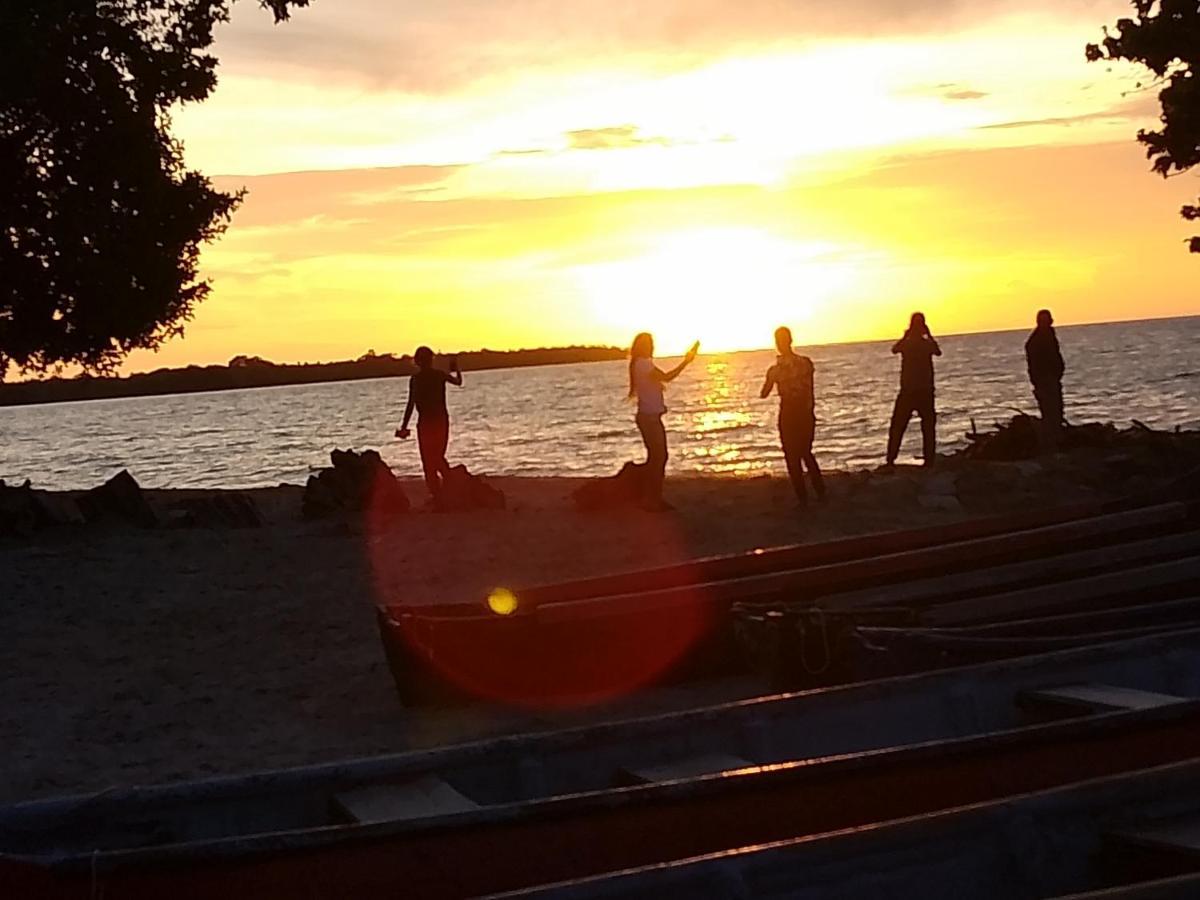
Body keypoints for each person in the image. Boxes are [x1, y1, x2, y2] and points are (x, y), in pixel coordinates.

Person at [628, 333, 699, 511]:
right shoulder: (643, 364)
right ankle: (652, 499)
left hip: (649, 417)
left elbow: (661, 380)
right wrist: (686, 361)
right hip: (649, 418)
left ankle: (652, 498)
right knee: (658, 458)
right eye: (650, 343)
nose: (652, 346)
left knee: (657, 458)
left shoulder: (640, 363)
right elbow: (667, 377)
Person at [761, 326, 826, 505]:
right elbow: (810, 390)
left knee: (792, 456)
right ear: (790, 341)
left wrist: (771, 379)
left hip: (789, 412)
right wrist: (810, 410)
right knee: (806, 452)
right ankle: (820, 491)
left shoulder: (775, 370)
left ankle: (803, 497)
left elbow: (764, 393)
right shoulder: (806, 362)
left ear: (777, 344)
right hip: (805, 410)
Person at [396, 346, 463, 504]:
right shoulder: (438, 375)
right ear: (431, 359)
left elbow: (410, 404)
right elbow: (459, 382)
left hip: (426, 422)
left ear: (418, 361)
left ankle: (440, 493)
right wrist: (456, 369)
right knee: (437, 457)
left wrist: (404, 426)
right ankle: (446, 488)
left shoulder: (416, 379)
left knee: (429, 460)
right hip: (439, 420)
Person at [885, 312, 942, 468]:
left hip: (911, 390)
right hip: (921, 390)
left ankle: (891, 460)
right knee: (927, 427)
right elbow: (937, 351)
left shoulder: (908, 344)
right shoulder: (924, 344)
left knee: (898, 426)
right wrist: (929, 336)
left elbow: (895, 349)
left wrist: (906, 337)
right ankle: (928, 460)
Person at [1025, 309, 1066, 442]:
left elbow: (1055, 355)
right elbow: (1034, 361)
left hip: (1052, 377)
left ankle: (1057, 436)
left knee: (1056, 408)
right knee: (1049, 410)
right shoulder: (1036, 340)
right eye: (1042, 321)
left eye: (1047, 320)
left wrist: (1058, 371)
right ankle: (1052, 439)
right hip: (1044, 379)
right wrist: (1038, 378)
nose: (1046, 323)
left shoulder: (1049, 335)